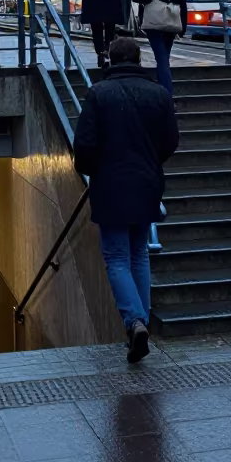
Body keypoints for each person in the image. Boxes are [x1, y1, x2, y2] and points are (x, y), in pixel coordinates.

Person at [73, 36, 179, 363]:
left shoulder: (99, 94)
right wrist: (151, 162)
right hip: (147, 182)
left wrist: (92, 169)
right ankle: (142, 321)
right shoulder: (158, 94)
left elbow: (85, 145)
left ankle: (134, 322)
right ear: (138, 58)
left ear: (111, 60)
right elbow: (170, 141)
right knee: (139, 255)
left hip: (111, 183)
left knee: (116, 257)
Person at [132, 0, 187, 96]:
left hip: (153, 21)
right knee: (165, 57)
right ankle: (162, 89)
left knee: (161, 59)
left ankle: (166, 94)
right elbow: (181, 0)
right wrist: (184, 24)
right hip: (172, 18)